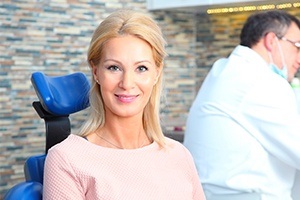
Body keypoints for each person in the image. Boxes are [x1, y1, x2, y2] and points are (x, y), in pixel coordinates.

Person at [43, 9, 206, 200]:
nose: (127, 83)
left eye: (141, 68)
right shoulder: (67, 159)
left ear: (157, 72)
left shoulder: (179, 155)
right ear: (96, 72)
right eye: (114, 67)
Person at [184, 10, 300, 200]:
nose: (299, 58)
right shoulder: (260, 80)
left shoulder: (227, 69)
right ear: (271, 41)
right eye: (297, 46)